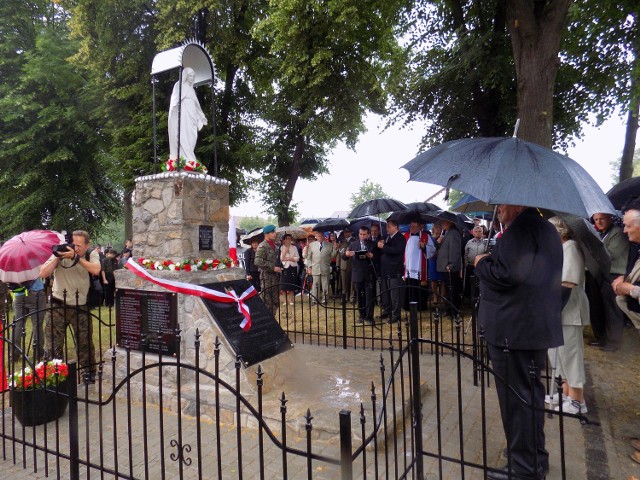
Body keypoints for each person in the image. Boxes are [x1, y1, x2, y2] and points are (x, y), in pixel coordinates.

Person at [474, 205, 563, 480]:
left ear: (519, 202)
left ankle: (524, 468)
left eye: (502, 202)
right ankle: (534, 459)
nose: (498, 208)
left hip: (514, 330)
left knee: (518, 402)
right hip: (527, 328)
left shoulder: (522, 229)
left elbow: (506, 274)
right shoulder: (542, 227)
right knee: (528, 398)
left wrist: (482, 263)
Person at [40, 230, 101, 384]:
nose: (75, 248)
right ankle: (53, 374)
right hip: (58, 304)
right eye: (74, 244)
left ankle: (88, 373)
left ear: (87, 245)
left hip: (80, 306)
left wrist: (76, 257)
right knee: (53, 343)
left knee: (84, 342)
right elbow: (43, 273)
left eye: (79, 246)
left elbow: (95, 270)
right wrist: (57, 256)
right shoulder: (61, 251)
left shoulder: (91, 254)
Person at [546, 217, 589, 415]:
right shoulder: (559, 249)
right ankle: (565, 393)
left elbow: (568, 282)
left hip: (569, 310)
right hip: (559, 310)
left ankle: (577, 400)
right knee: (559, 353)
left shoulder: (570, 247)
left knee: (571, 354)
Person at [585, 212, 628, 351]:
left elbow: (610, 255)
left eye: (602, 219)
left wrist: (593, 248)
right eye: (596, 219)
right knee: (598, 307)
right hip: (600, 274)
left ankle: (614, 342)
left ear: (609, 218)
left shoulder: (617, 233)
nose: (599, 222)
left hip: (614, 274)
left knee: (612, 309)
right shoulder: (601, 233)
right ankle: (601, 337)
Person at [168, 67, 208, 162]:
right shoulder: (179, 86)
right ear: (185, 76)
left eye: (193, 76)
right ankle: (186, 158)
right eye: (190, 76)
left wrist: (202, 116)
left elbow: (196, 103)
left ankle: (189, 156)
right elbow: (174, 100)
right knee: (183, 133)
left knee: (192, 135)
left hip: (192, 114)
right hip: (184, 114)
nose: (191, 78)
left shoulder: (192, 90)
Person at [8, 277, 46, 362]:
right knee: (37, 325)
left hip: (19, 294)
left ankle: (14, 355)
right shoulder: (34, 263)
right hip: (35, 292)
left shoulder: (14, 263)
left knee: (17, 325)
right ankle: (38, 353)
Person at [378, 219, 406, 324]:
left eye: (389, 226)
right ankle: (387, 311)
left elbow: (396, 250)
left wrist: (384, 247)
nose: (387, 228)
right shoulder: (388, 238)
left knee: (395, 294)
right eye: (386, 227)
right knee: (386, 293)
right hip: (386, 270)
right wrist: (383, 244)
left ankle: (396, 315)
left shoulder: (400, 238)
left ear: (395, 227)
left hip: (394, 270)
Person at [345, 226, 376, 323]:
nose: (362, 236)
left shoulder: (372, 244)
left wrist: (372, 256)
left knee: (369, 296)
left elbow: (378, 258)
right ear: (358, 234)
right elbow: (344, 257)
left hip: (369, 274)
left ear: (368, 234)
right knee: (360, 296)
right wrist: (347, 254)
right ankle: (361, 315)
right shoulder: (353, 244)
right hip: (357, 274)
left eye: (364, 234)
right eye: (360, 234)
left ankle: (369, 317)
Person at [403, 220, 435, 310]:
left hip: (420, 266)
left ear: (419, 227)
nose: (411, 228)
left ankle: (420, 306)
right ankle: (408, 306)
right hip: (408, 265)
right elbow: (402, 250)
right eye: (410, 226)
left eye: (413, 226)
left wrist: (424, 247)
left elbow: (432, 250)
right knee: (409, 285)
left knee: (418, 286)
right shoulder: (405, 235)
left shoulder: (425, 236)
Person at [253, 224, 281, 317]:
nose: (275, 234)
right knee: (267, 302)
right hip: (266, 278)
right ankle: (268, 322)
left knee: (275, 301)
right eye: (272, 232)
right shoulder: (263, 246)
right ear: (266, 234)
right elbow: (257, 261)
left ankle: (272, 321)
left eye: (274, 232)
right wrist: (272, 267)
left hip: (275, 277)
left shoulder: (274, 246)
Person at [437, 219, 463, 316]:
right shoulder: (448, 232)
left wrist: (451, 264)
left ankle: (454, 311)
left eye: (444, 222)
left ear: (450, 222)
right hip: (446, 267)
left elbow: (455, 251)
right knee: (449, 290)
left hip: (450, 267)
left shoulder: (454, 233)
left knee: (453, 290)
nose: (442, 224)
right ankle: (449, 309)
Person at [303, 231, 336, 304]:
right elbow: (308, 257)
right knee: (315, 285)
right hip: (315, 268)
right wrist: (309, 267)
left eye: (321, 236)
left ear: (324, 236)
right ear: (316, 237)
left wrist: (335, 249)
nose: (320, 237)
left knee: (325, 285)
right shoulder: (311, 245)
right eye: (318, 236)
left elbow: (332, 256)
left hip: (325, 267)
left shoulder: (329, 245)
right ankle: (315, 300)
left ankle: (325, 300)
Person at [464, 226, 488, 302]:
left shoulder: (485, 242)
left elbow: (487, 253)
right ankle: (471, 298)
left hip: (481, 266)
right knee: (471, 283)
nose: (478, 233)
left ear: (482, 232)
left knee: (480, 282)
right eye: (476, 231)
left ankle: (480, 298)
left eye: (480, 231)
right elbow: (466, 254)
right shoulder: (469, 242)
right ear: (473, 233)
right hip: (470, 266)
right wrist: (466, 264)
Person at [429, 223, 447, 305]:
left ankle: (443, 297)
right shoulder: (430, 238)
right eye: (436, 227)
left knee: (443, 280)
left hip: (442, 260)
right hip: (433, 260)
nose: (438, 229)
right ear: (433, 229)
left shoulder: (444, 237)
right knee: (434, 279)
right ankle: (435, 297)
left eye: (440, 227)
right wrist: (437, 242)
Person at [279, 234, 300, 305]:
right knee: (284, 284)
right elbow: (281, 258)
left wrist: (290, 258)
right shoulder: (281, 248)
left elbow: (297, 258)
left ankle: (291, 300)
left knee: (292, 284)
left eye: (290, 238)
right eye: (287, 238)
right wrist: (285, 251)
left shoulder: (294, 247)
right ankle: (285, 301)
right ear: (284, 240)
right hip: (285, 267)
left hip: (293, 266)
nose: (289, 240)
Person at [337, 228, 354, 303]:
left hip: (352, 264)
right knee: (344, 283)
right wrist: (337, 265)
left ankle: (352, 297)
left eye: (348, 232)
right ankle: (344, 297)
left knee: (352, 283)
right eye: (345, 232)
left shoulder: (354, 241)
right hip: (343, 264)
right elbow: (339, 254)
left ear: (351, 232)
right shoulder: (341, 242)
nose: (346, 234)